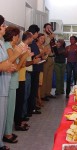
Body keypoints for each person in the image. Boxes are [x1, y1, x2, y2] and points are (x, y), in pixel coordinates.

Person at [0, 15, 23, 150]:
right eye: (3, 25)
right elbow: (3, 64)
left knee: (3, 116)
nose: (5, 27)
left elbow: (6, 64)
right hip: (2, 84)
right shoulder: (5, 45)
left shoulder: (2, 43)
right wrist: (18, 53)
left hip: (5, 83)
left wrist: (10, 66)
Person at [27, 24, 41, 115]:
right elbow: (35, 55)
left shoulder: (32, 42)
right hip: (32, 69)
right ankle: (31, 108)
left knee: (33, 89)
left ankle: (32, 106)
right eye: (37, 33)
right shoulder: (31, 42)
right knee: (32, 90)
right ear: (35, 33)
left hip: (35, 68)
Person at [41, 23, 56, 101]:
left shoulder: (51, 37)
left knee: (50, 77)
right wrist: (50, 37)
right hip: (46, 58)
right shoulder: (43, 36)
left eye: (51, 28)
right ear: (44, 29)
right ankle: (42, 94)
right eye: (48, 28)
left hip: (52, 57)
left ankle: (48, 92)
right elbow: (44, 44)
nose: (50, 30)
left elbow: (52, 46)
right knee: (45, 77)